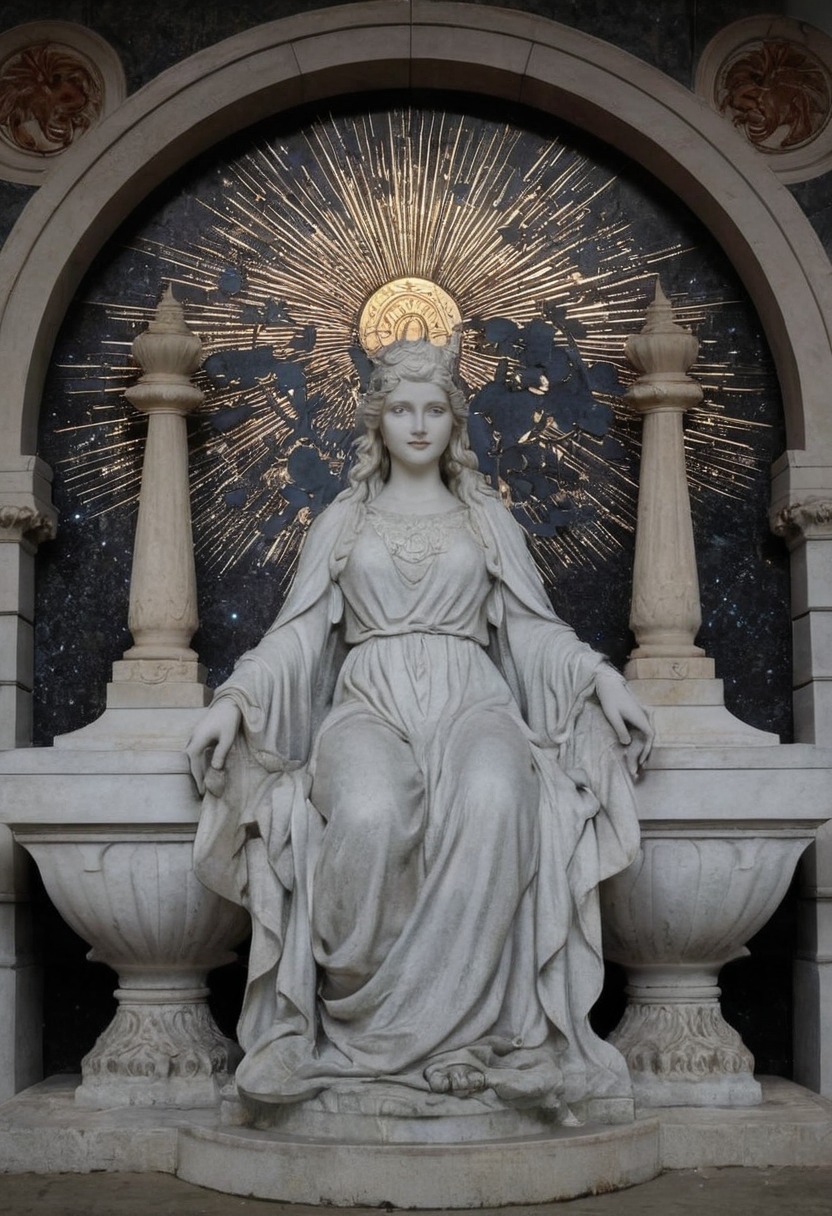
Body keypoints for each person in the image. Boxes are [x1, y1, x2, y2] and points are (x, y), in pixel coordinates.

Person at [187, 338, 652, 1123]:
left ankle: (466, 1038)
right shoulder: (344, 521)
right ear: (377, 419)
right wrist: (233, 701)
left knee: (499, 797)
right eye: (402, 408)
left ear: (454, 420)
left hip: (475, 701)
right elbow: (298, 637)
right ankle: (360, 1035)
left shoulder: (486, 519)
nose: (418, 423)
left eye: (434, 408)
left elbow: (535, 633)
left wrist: (604, 679)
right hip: (368, 702)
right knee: (368, 813)